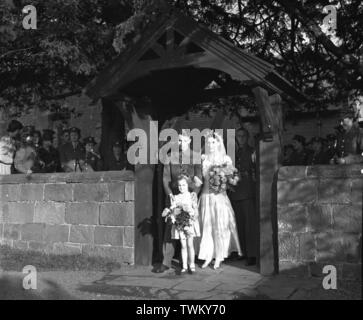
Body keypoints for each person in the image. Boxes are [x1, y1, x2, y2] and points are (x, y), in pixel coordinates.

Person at [156, 133, 203, 274]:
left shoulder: (195, 156)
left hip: (188, 198)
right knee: (171, 228)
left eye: (183, 140)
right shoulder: (170, 157)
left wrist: (195, 191)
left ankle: (188, 262)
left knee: (188, 228)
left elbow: (199, 177)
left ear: (189, 140)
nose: (181, 143)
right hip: (174, 198)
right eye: (179, 141)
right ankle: (166, 262)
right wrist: (170, 194)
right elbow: (165, 178)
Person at [198, 131, 242, 270]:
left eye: (213, 142)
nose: (210, 145)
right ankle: (207, 255)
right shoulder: (203, 158)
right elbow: (199, 178)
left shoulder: (225, 159)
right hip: (206, 197)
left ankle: (219, 255)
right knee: (206, 226)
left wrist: (229, 179)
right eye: (208, 142)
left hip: (220, 198)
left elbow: (233, 177)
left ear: (219, 143)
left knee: (219, 226)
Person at [229, 128, 257, 266]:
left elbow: (255, 170)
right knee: (239, 224)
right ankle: (243, 252)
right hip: (235, 191)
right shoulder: (234, 153)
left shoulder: (253, 151)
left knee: (249, 225)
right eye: (238, 136)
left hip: (247, 191)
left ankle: (252, 254)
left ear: (247, 137)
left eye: (243, 136)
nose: (241, 138)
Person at [162, 175, 200, 273]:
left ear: (187, 185)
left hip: (190, 223)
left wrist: (192, 218)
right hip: (180, 224)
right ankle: (184, 266)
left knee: (190, 245)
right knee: (183, 245)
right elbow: (173, 209)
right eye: (179, 186)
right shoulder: (176, 197)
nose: (181, 187)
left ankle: (191, 264)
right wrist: (170, 212)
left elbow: (196, 211)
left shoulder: (191, 196)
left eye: (183, 185)